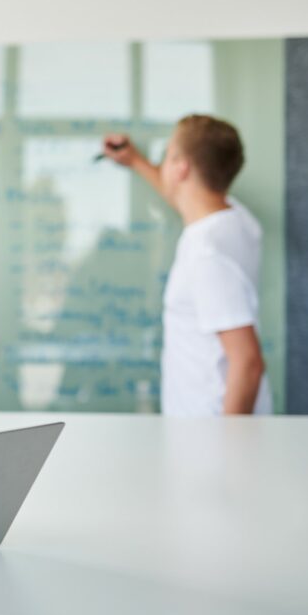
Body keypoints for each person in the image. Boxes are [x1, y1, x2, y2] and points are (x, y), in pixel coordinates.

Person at [102, 115, 272, 416]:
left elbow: (248, 363)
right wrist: (135, 161)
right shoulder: (237, 219)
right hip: (208, 431)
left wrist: (231, 451)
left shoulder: (206, 256)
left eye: (168, 155)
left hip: (211, 432)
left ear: (181, 168)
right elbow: (184, 195)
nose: (162, 163)